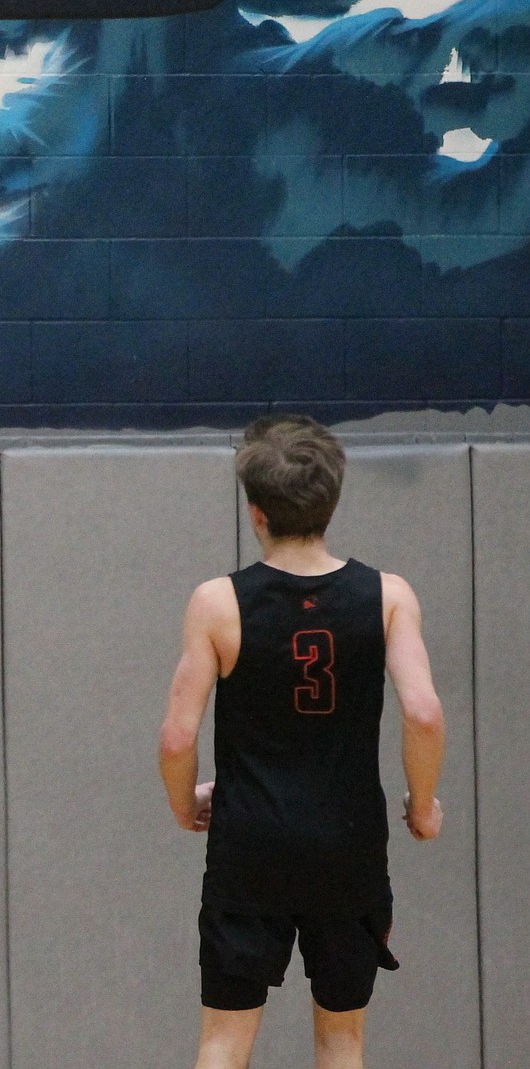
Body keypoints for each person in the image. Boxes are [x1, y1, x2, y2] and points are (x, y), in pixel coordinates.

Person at [159, 415, 445, 1069]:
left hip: (249, 844)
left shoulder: (218, 603)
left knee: (224, 1041)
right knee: (341, 1040)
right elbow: (424, 712)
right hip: (349, 846)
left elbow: (178, 735)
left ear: (256, 513)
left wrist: (185, 804)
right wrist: (423, 807)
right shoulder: (388, 597)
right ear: (333, 502)